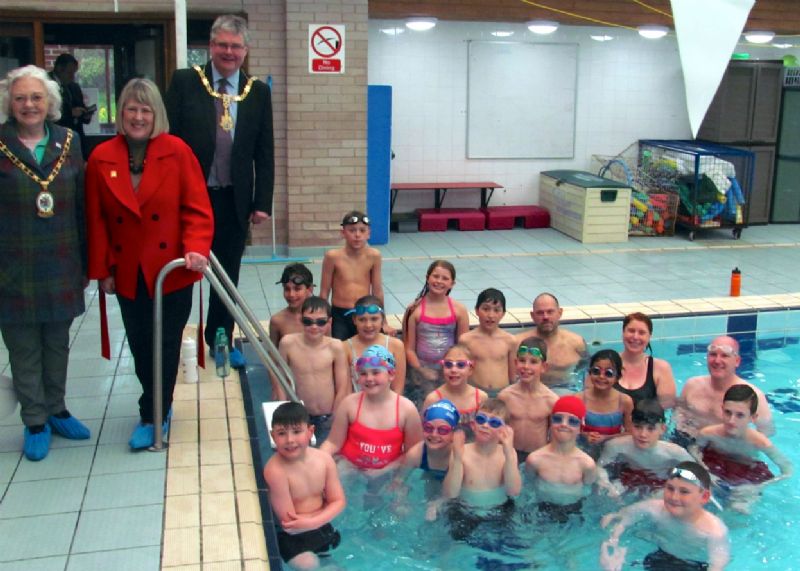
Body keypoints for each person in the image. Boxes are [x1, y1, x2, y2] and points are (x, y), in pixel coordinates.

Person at [86, 77, 214, 450]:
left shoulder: (177, 151)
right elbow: (96, 220)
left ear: (157, 113)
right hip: (127, 270)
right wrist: (103, 270)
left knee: (166, 344)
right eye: (131, 108)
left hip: (171, 269)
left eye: (145, 109)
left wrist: (196, 248)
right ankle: (155, 402)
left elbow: (197, 208)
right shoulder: (101, 157)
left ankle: (155, 412)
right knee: (141, 345)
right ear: (120, 113)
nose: (138, 116)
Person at [165, 14, 274, 369]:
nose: (229, 52)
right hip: (190, 199)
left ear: (246, 50)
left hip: (233, 198)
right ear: (211, 47)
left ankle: (220, 338)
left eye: (236, 46)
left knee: (228, 274)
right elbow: (167, 142)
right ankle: (171, 342)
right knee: (184, 270)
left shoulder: (256, 91)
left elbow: (265, 150)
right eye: (222, 45)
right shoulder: (185, 82)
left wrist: (262, 202)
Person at [0, 65, 90, 461]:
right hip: (11, 267)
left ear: (49, 102)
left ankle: (56, 409)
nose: (28, 105)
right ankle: (35, 420)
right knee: (23, 347)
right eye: (20, 98)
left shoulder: (69, 141)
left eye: (36, 97)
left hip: (61, 261)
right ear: (9, 104)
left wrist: (88, 261)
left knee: (57, 343)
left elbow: (83, 206)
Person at [600, 462, 730, 571]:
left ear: (704, 497)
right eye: (670, 488)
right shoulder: (654, 508)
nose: (674, 497)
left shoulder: (714, 531)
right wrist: (613, 545)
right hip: (661, 557)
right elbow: (621, 518)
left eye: (684, 492)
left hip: (695, 565)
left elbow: (718, 565)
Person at [263, 402, 345, 570]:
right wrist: (323, 515)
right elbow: (289, 523)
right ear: (272, 436)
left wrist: (313, 521)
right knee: (309, 564)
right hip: (290, 537)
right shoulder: (275, 471)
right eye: (281, 433)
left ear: (310, 432)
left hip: (318, 525)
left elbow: (339, 501)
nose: (290, 440)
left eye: (297, 431)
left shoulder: (324, 460)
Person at [690, 384, 791, 512]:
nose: (732, 421)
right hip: (715, 466)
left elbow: (787, 471)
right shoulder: (708, 434)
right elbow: (694, 450)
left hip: (747, 474)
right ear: (722, 410)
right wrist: (705, 471)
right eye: (728, 412)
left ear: (753, 418)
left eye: (740, 415)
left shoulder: (760, 442)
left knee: (739, 510)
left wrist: (758, 487)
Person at [321, 345, 421, 472]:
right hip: (349, 467)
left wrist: (383, 472)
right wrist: (318, 459)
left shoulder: (407, 410)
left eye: (375, 372)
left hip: (389, 471)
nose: (369, 378)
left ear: (391, 374)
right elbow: (333, 443)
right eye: (363, 373)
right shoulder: (349, 404)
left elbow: (413, 453)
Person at [443, 398, 521, 540]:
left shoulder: (508, 454)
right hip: (466, 512)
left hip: (500, 511)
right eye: (481, 419)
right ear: (473, 425)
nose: (485, 425)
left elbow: (514, 492)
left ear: (505, 431)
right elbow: (450, 494)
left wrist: (509, 454)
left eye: (494, 422)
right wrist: (458, 460)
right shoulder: (462, 452)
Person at [276, 297, 349, 444]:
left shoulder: (335, 346)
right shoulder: (288, 343)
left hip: (328, 415)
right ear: (300, 320)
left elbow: (343, 385)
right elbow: (280, 380)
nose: (314, 326)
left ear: (330, 322)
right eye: (308, 321)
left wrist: (336, 416)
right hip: (299, 416)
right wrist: (284, 411)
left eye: (321, 322)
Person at [677, 335, 774, 442]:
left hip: (730, 451)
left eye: (724, 356)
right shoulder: (692, 385)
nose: (717, 361)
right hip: (695, 443)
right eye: (713, 354)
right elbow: (679, 417)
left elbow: (766, 433)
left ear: (737, 361)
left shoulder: (753, 395)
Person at [403, 260, 469, 404]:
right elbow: (408, 349)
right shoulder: (414, 309)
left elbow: (463, 348)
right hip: (420, 371)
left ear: (452, 284)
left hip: (450, 370)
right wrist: (421, 370)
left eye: (445, 278)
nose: (439, 281)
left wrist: (451, 369)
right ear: (427, 278)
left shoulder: (459, 310)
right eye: (435, 276)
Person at [596, 400, 693, 497]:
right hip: (630, 479)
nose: (643, 434)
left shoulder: (675, 453)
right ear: (630, 425)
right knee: (611, 493)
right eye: (638, 427)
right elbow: (599, 467)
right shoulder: (616, 446)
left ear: (663, 429)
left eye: (650, 429)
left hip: (661, 484)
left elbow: (699, 475)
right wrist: (605, 483)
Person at [525, 396, 596, 522]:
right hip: (542, 509)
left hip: (574, 511)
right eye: (558, 419)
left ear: (581, 427)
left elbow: (588, 492)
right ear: (551, 422)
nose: (564, 424)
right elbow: (528, 488)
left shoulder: (586, 464)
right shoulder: (535, 459)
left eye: (572, 421)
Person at [319, 211, 384, 341]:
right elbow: (324, 291)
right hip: (339, 315)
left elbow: (377, 291)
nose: (357, 235)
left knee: (366, 351)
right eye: (352, 230)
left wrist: (384, 321)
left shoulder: (374, 256)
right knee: (340, 349)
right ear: (343, 233)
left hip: (363, 313)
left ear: (368, 233)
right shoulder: (332, 257)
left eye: (362, 230)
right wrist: (322, 319)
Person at [392, 400, 459, 521]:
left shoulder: (459, 456)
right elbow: (399, 480)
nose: (434, 434)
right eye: (428, 428)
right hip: (429, 479)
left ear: (453, 433)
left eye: (442, 430)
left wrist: (438, 504)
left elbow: (455, 493)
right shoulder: (416, 454)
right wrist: (401, 500)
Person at [497, 337, 558, 463]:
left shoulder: (551, 400)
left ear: (544, 367)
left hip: (538, 456)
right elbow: (497, 433)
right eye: (522, 360)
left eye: (533, 362)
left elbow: (555, 439)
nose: (526, 366)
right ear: (515, 363)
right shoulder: (506, 396)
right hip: (510, 453)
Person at [514, 292, 588, 389]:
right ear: (532, 316)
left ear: (560, 313)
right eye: (540, 313)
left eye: (550, 312)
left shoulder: (576, 343)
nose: (545, 317)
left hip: (565, 389)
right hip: (530, 392)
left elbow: (587, 370)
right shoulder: (518, 343)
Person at [343, 295, 406, 394]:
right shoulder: (345, 347)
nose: (368, 325)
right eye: (362, 319)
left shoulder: (396, 346)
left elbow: (398, 389)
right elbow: (345, 390)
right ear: (354, 320)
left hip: (388, 405)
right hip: (358, 406)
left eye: (374, 319)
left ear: (382, 320)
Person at [459, 288, 517, 395]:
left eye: (496, 310)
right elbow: (462, 372)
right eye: (486, 309)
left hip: (502, 393)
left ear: (503, 313)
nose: (490, 315)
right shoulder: (466, 340)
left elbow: (513, 377)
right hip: (476, 393)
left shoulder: (510, 341)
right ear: (476, 311)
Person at [577, 349, 633, 457]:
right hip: (584, 452)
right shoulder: (579, 399)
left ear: (618, 377)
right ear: (590, 372)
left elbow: (630, 434)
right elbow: (570, 430)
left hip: (612, 453)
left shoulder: (624, 401)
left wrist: (606, 438)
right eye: (596, 371)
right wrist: (585, 435)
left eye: (609, 373)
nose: (601, 377)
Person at [614, 312, 676, 410]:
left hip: (647, 424)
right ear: (623, 333)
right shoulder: (607, 362)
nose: (635, 337)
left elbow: (668, 410)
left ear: (649, 337)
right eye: (631, 331)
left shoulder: (661, 368)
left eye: (642, 333)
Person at [422, 344, 487, 432]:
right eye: (448, 364)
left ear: (470, 369)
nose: (453, 370)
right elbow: (424, 432)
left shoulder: (480, 398)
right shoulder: (433, 399)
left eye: (460, 365)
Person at [49, 53, 94, 159]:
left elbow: (80, 107)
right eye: (69, 73)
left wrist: (85, 115)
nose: (72, 77)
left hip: (76, 138)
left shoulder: (74, 87)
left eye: (74, 73)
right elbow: (48, 113)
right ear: (59, 69)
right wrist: (70, 113)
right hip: (57, 139)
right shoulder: (47, 84)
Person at [269, 263, 315, 347]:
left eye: (297, 289)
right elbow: (272, 354)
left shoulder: (322, 319)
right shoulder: (277, 321)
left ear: (310, 289)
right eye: (287, 289)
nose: (291, 294)